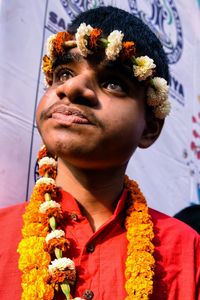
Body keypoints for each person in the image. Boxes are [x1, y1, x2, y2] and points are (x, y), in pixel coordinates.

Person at [0, 5, 199, 300]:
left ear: (150, 129)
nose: (74, 88)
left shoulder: (187, 251)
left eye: (112, 83)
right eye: (64, 73)